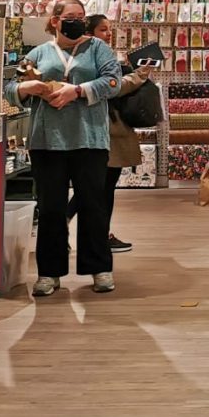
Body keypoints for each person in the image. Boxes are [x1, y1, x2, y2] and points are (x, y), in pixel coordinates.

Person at [6, 0, 124, 296]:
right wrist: (25, 88)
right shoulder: (39, 53)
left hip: (89, 140)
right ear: (55, 20)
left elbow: (114, 82)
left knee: (93, 207)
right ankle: (49, 272)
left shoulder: (99, 49)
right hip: (47, 142)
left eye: (82, 16)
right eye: (71, 16)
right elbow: (11, 88)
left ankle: (99, 268)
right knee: (51, 209)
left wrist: (78, 91)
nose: (78, 21)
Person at [66, 14, 154, 254]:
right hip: (104, 127)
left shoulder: (90, 55)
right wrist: (139, 75)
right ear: (90, 32)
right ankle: (98, 235)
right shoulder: (90, 57)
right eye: (103, 29)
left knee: (99, 185)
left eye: (109, 29)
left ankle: (90, 231)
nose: (109, 34)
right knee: (101, 186)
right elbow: (112, 88)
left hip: (105, 126)